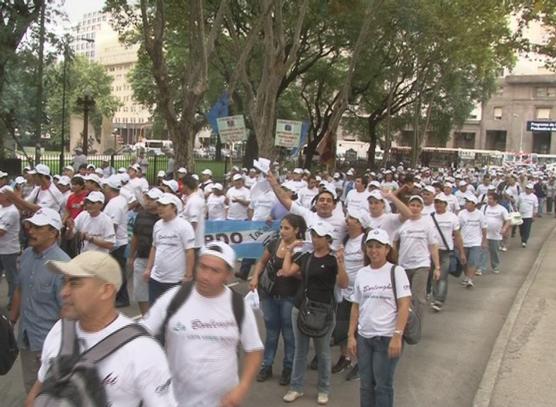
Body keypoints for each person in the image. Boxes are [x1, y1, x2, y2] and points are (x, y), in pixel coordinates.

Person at [25, 251, 177, 406]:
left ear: (106, 290)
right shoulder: (60, 330)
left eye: (75, 283)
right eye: (65, 282)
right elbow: (37, 393)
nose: (63, 292)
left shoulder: (142, 350)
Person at [142, 242, 263, 407]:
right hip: (176, 401)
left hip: (223, 402)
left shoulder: (238, 306)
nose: (206, 276)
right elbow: (140, 334)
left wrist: (243, 387)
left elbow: (254, 350)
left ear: (228, 275)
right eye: (203, 267)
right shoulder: (174, 298)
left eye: (215, 271)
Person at [281, 221, 349, 405]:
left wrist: (341, 263)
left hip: (324, 311)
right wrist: (289, 251)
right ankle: (296, 387)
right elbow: (287, 271)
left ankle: (324, 389)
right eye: (313, 235)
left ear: (328, 239)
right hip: (301, 308)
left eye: (318, 235)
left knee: (323, 352)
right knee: (300, 350)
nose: (314, 238)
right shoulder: (306, 257)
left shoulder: (332, 260)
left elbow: (343, 283)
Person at [347, 228, 411, 407]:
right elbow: (356, 305)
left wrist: (397, 336)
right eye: (370, 246)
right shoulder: (362, 273)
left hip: (386, 337)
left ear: (387, 249)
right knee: (366, 385)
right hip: (365, 338)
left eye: (378, 246)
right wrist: (351, 336)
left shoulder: (396, 271)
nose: (374, 251)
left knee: (382, 386)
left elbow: (405, 304)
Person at [8, 208, 69, 392]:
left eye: (38, 227)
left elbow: (67, 311)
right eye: (30, 226)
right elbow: (20, 288)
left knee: (51, 393)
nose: (31, 231)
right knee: (31, 387)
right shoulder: (26, 255)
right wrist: (11, 321)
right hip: (26, 338)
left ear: (53, 232)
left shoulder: (63, 265)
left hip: (49, 344)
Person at [250, 214, 307, 386]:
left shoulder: (302, 249)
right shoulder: (274, 243)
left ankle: (288, 368)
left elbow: (303, 275)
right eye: (281, 227)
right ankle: (266, 366)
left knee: (289, 335)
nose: (282, 231)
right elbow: (261, 262)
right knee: (271, 333)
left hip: (289, 297)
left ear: (297, 230)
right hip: (269, 295)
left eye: (287, 228)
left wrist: (291, 272)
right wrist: (254, 277)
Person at [332, 209, 370, 381]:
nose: (348, 221)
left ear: (361, 224)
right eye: (348, 218)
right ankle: (345, 357)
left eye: (352, 219)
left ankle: (362, 364)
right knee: (341, 330)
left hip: (363, 295)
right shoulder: (346, 239)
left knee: (359, 332)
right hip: (345, 292)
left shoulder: (365, 241)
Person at [393, 195, 440, 322]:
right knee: (403, 296)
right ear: (408, 206)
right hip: (403, 266)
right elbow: (394, 242)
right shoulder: (402, 224)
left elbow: (433, 245)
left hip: (421, 265)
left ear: (422, 208)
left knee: (418, 297)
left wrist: (437, 267)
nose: (415, 208)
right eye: (412, 205)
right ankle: (403, 321)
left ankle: (416, 324)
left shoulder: (427, 225)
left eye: (418, 206)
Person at [144, 193, 195, 304]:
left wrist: (188, 275)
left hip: (175, 280)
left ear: (174, 207)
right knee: (155, 312)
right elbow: (154, 247)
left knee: (173, 313)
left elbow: (189, 251)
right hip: (156, 279)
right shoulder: (157, 225)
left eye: (164, 205)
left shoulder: (184, 226)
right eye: (159, 205)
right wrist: (148, 269)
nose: (160, 208)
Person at [429, 193, 466, 312]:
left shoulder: (452, 217)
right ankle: (435, 297)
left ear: (445, 204)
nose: (438, 205)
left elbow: (458, 236)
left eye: (440, 202)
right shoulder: (430, 217)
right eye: (436, 202)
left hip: (446, 251)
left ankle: (440, 300)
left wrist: (462, 252)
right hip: (432, 251)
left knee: (442, 276)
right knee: (434, 276)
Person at [129, 188, 163, 315]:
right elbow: (135, 236)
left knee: (158, 293)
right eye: (147, 198)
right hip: (141, 258)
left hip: (159, 261)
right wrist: (131, 256)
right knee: (140, 293)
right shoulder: (141, 215)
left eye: (152, 199)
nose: (148, 201)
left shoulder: (162, 218)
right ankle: (146, 318)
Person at [103, 175, 130, 307]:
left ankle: (122, 297)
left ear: (110, 188)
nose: (104, 189)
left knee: (117, 271)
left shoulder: (115, 204)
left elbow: (113, 225)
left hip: (117, 243)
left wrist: (109, 243)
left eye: (105, 186)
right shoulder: (118, 200)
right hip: (118, 242)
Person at [458, 195, 487, 287]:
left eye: (468, 202)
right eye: (466, 202)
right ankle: (466, 276)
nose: (466, 204)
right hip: (464, 241)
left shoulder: (480, 214)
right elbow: (458, 228)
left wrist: (484, 241)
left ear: (474, 204)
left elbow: (484, 228)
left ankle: (470, 279)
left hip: (476, 241)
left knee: (473, 261)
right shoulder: (461, 213)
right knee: (464, 261)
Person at [0, 186, 21, 310]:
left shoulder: (12, 211)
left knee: (11, 277)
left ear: (7, 196)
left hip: (9, 250)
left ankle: (14, 301)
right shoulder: (1, 208)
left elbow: (1, 231)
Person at [481, 192, 510, 273]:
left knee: (494, 252)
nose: (489, 200)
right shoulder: (484, 207)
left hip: (496, 235)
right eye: (488, 198)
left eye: (490, 199)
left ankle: (495, 266)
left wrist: (504, 229)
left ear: (495, 200)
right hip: (485, 234)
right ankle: (481, 268)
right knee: (483, 251)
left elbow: (508, 220)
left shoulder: (502, 209)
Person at [181, 174, 206, 254]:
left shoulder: (193, 201)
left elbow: (193, 222)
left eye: (182, 185)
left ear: (186, 186)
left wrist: (187, 240)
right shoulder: (192, 199)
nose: (181, 187)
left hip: (193, 245)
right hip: (194, 243)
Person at [517, 183, 539, 247]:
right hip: (521, 215)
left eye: (529, 189)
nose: (528, 190)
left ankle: (524, 241)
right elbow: (518, 204)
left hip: (528, 215)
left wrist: (534, 215)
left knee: (527, 229)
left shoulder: (534, 197)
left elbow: (535, 207)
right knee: (521, 229)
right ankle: (522, 237)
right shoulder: (521, 195)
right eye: (527, 189)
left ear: (532, 190)